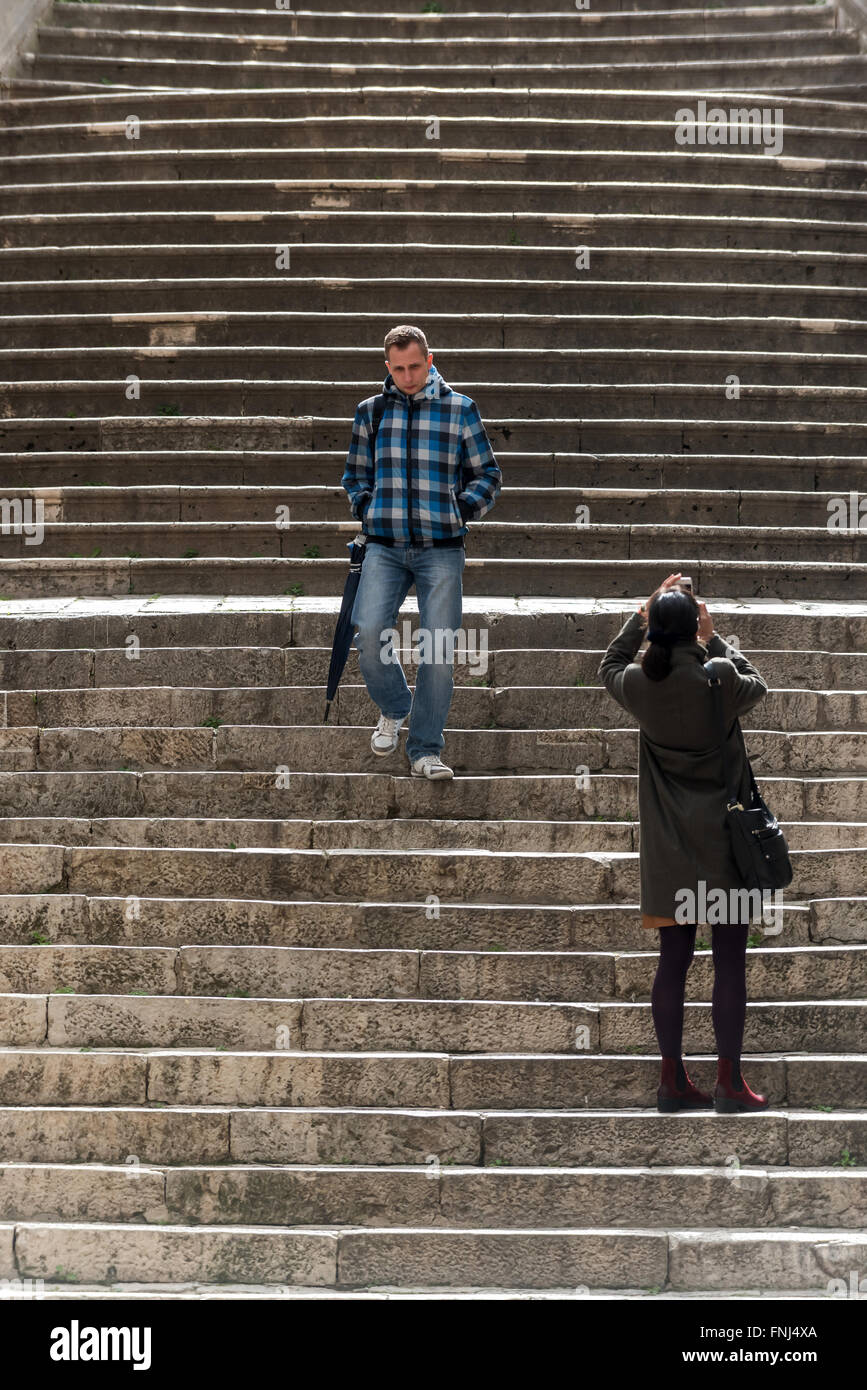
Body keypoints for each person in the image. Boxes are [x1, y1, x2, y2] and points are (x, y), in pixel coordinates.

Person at [598, 572, 772, 1114]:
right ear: (695, 626)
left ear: (654, 629)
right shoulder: (719, 676)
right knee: (729, 963)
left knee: (672, 963)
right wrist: (715, 637)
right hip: (727, 847)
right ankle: (729, 1083)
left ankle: (672, 1081)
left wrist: (640, 614)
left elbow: (606, 664)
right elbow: (760, 685)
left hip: (670, 853)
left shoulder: (638, 684)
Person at [342, 324, 501, 779]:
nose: (407, 376)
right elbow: (355, 475)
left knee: (438, 649)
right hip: (385, 546)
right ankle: (395, 705)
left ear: (429, 361)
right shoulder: (370, 412)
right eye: (398, 369)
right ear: (387, 367)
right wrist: (367, 507)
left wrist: (460, 509)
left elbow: (488, 474)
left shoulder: (460, 410)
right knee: (369, 631)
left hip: (441, 549)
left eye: (415, 366)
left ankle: (425, 750)